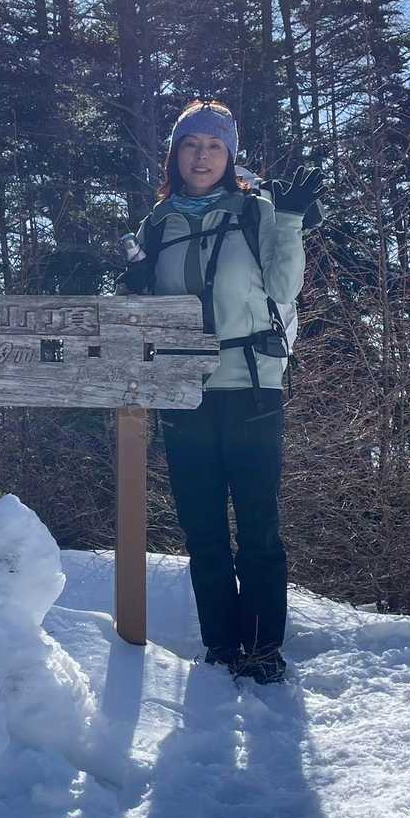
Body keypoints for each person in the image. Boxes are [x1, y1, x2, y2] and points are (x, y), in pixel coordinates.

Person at [121, 99, 322, 684]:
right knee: (203, 529)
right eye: (190, 145)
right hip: (183, 390)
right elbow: (144, 315)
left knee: (258, 524)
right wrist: (134, 289)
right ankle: (220, 647)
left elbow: (283, 287)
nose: (201, 156)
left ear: (230, 156)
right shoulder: (157, 224)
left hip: (251, 383)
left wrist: (289, 219)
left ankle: (262, 648)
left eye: (214, 146)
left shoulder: (257, 212)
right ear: (175, 156)